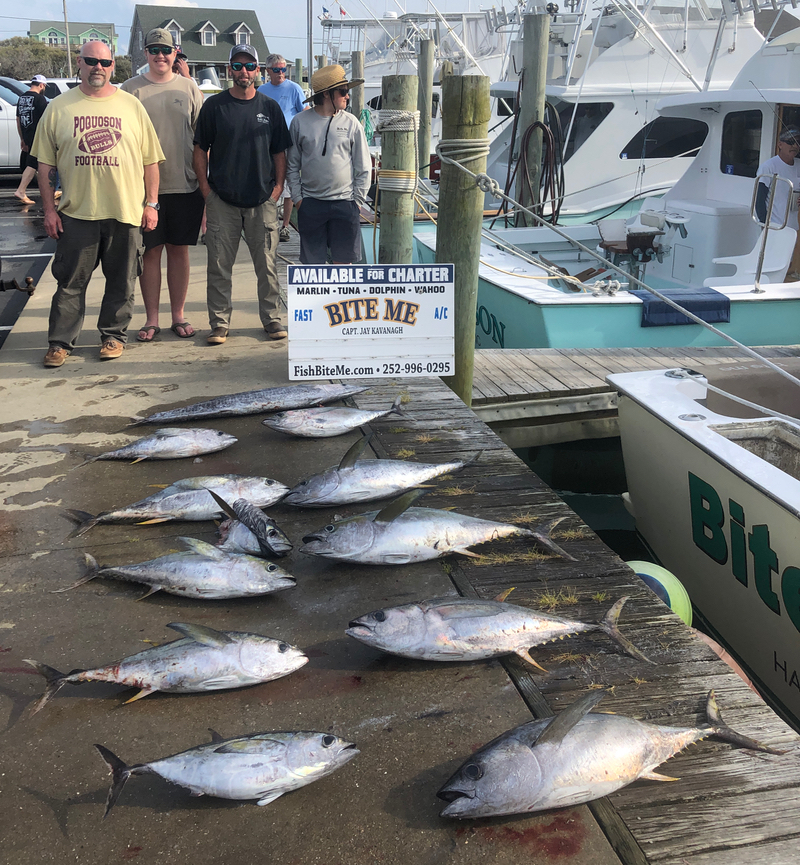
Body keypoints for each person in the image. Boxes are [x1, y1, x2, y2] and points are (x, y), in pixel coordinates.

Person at [32, 40, 164, 368]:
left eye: (105, 63)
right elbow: (46, 166)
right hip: (77, 213)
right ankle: (60, 344)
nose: (98, 68)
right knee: (70, 282)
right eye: (91, 61)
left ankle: (113, 336)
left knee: (122, 280)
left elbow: (151, 162)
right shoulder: (58, 107)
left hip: (125, 212)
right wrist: (49, 211)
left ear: (112, 67)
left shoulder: (131, 107)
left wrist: (152, 205)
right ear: (79, 63)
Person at [193, 44, 291, 344]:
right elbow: (199, 150)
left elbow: (280, 153)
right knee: (219, 267)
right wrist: (206, 191)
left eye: (249, 66)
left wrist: (276, 189)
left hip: (262, 200)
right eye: (237, 66)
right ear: (228, 70)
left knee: (268, 267)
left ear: (258, 70)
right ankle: (219, 324)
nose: (244, 72)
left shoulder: (269, 108)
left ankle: (272, 320)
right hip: (222, 200)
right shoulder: (214, 106)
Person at [121, 28, 204, 342]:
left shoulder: (189, 87)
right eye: (154, 49)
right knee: (151, 253)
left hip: (184, 185)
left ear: (175, 53)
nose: (160, 55)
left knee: (179, 252)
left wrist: (206, 187)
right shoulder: (130, 90)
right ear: (145, 53)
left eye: (165, 50)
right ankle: (152, 318)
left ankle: (178, 315)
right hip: (143, 193)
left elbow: (202, 141)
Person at [287, 64, 370, 265]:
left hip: (345, 204)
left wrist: (356, 202)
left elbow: (364, 167)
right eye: (343, 91)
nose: (347, 96)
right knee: (312, 267)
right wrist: (299, 200)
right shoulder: (299, 122)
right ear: (326, 94)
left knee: (344, 266)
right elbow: (292, 165)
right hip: (311, 204)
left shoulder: (352, 123)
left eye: (347, 92)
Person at [257, 54, 306, 241]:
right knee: (268, 182)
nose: (280, 73)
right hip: (266, 143)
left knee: (288, 183)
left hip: (288, 143)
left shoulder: (294, 88)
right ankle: (268, 223)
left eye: (283, 69)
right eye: (276, 70)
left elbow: (304, 112)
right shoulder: (261, 90)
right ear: (268, 71)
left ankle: (285, 226)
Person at [756, 128, 800, 227]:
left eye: (798, 142)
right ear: (780, 144)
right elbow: (759, 201)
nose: (795, 146)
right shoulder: (768, 166)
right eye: (791, 142)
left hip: (794, 227)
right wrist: (765, 226)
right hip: (774, 227)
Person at [15, 75, 48, 205]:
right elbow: (46, 120)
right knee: (33, 164)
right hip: (38, 135)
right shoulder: (40, 99)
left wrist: (22, 138)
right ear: (41, 85)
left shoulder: (22, 98)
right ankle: (21, 190)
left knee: (40, 164)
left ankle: (48, 190)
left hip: (27, 134)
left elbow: (18, 119)